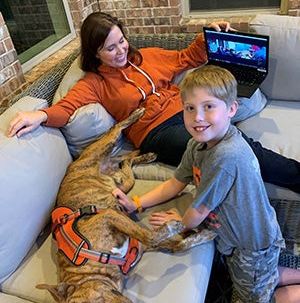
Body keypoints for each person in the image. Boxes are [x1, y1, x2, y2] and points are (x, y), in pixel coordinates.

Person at [7, 12, 300, 193]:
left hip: (185, 112)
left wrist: (209, 35)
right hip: (156, 132)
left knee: (236, 141)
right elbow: (66, 108)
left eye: (121, 40)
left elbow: (187, 58)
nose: (121, 50)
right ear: (95, 52)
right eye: (110, 47)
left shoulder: (148, 56)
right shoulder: (95, 83)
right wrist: (41, 116)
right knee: (222, 149)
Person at [113, 65, 300, 303]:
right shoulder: (197, 144)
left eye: (208, 106)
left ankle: (268, 277)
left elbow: (198, 212)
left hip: (251, 244)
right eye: (190, 108)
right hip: (237, 241)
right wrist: (137, 203)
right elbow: (176, 182)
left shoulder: (226, 156)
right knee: (261, 275)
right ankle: (269, 274)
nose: (198, 117)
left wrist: (178, 224)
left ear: (232, 109)